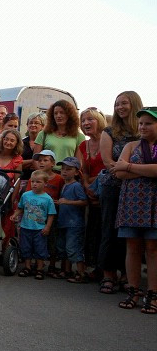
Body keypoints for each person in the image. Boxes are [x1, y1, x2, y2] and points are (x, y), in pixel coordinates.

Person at [97, 91, 142, 294]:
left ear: (134, 104)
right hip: (113, 187)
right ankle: (108, 274)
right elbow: (108, 162)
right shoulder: (110, 131)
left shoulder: (142, 130)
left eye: (124, 103)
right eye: (116, 104)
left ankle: (127, 275)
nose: (120, 107)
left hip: (138, 190)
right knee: (109, 230)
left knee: (130, 234)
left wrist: (134, 174)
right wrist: (133, 172)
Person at [114, 107, 157, 314]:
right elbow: (118, 172)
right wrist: (147, 172)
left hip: (155, 204)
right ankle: (134, 290)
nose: (142, 126)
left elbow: (126, 169)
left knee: (152, 248)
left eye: (148, 123)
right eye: (141, 123)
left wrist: (129, 167)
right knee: (132, 246)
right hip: (132, 203)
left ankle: (153, 293)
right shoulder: (131, 145)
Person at [78, 107, 107, 276]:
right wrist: (88, 186)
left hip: (108, 190)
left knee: (106, 231)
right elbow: (84, 170)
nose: (86, 123)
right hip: (91, 193)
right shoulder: (84, 145)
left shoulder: (109, 139)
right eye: (83, 120)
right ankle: (96, 266)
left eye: (90, 119)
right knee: (93, 229)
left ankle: (109, 269)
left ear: (100, 121)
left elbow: (110, 166)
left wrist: (95, 184)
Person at [13, 170, 57, 280]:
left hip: (39, 228)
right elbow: (21, 208)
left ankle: (39, 268)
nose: (34, 184)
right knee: (26, 247)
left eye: (38, 182)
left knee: (40, 249)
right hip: (26, 227)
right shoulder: (26, 195)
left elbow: (51, 214)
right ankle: (27, 267)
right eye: (32, 182)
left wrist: (48, 227)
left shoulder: (47, 199)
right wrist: (15, 215)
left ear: (45, 183)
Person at [54, 157, 88, 282]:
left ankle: (81, 273)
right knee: (62, 247)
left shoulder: (76, 186)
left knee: (73, 247)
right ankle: (66, 270)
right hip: (64, 222)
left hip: (74, 223)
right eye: (63, 169)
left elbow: (84, 201)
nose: (64, 171)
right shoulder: (64, 185)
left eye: (68, 169)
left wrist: (67, 202)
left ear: (76, 172)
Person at [32, 100, 85, 170]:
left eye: (62, 113)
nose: (58, 116)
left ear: (69, 115)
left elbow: (78, 162)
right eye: (55, 113)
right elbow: (35, 160)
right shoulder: (43, 134)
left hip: (67, 177)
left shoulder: (79, 136)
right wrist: (42, 175)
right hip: (46, 176)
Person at [21, 112, 46, 185]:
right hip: (23, 178)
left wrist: (26, 163)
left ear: (42, 126)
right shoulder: (21, 143)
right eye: (30, 123)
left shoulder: (46, 143)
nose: (33, 125)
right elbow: (16, 163)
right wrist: (33, 161)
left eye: (36, 123)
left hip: (41, 180)